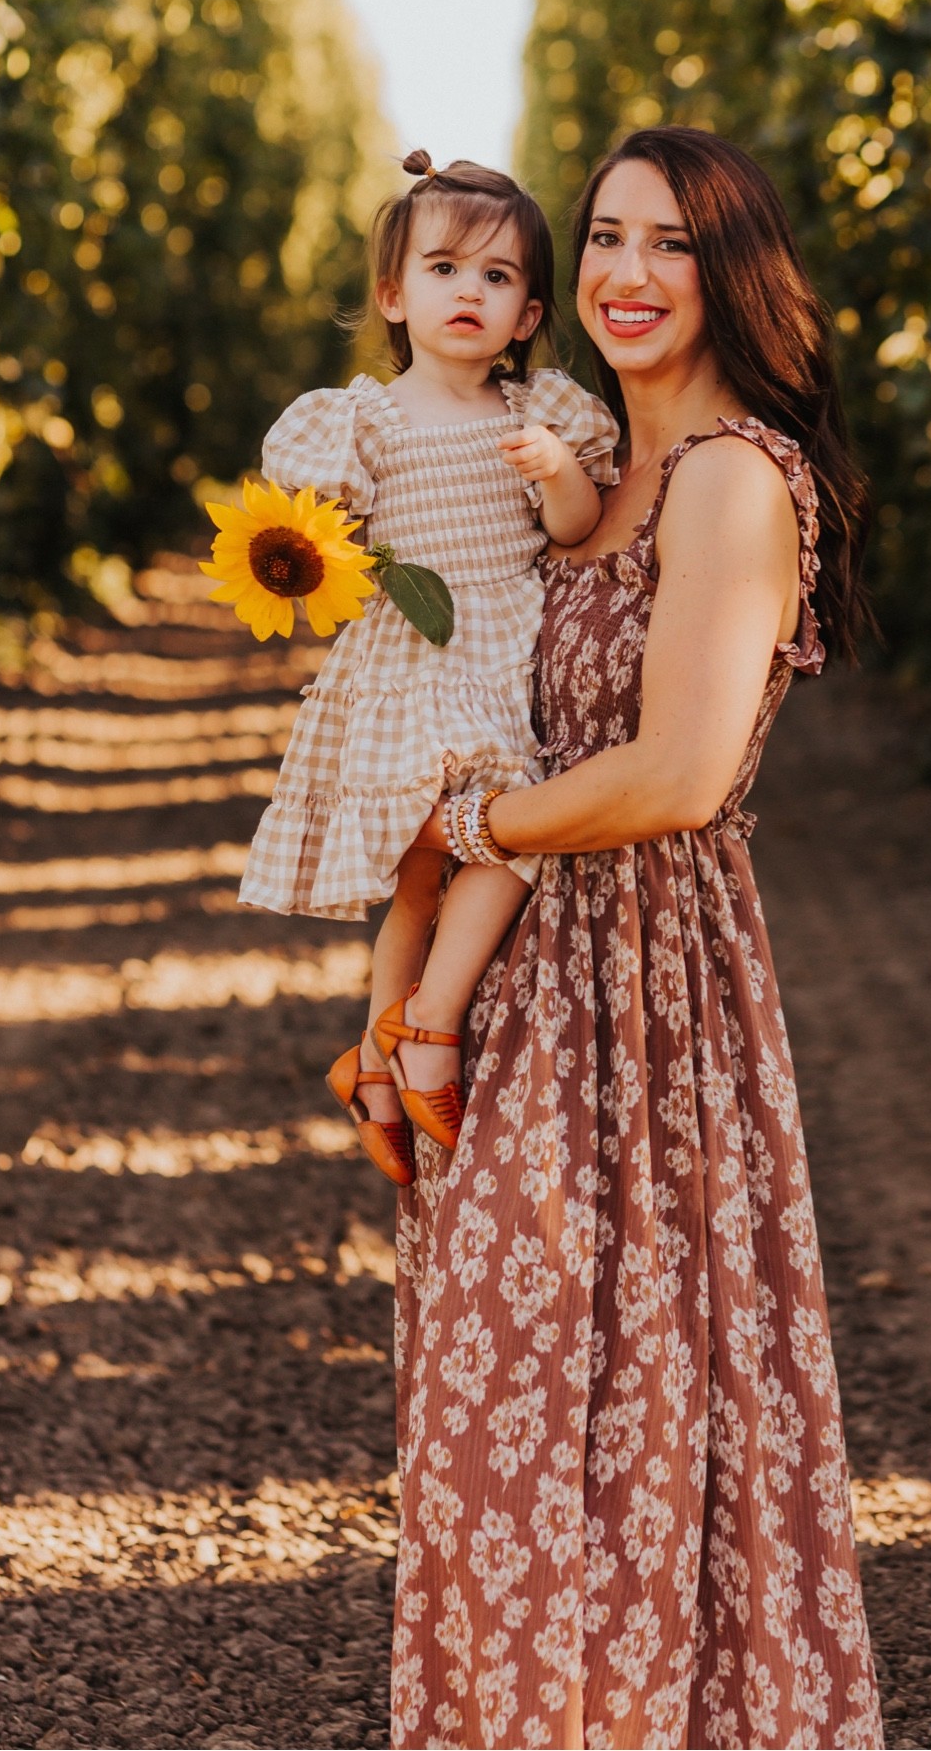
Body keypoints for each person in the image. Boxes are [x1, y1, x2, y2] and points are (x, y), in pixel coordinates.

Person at [391, 127, 885, 1750]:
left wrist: (475, 828)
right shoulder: (583, 476)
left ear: (730, 270)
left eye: (670, 241)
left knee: (624, 1415)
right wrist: (409, 990)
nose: (626, 270)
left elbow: (675, 773)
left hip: (651, 985)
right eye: (604, 234)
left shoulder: (732, 476)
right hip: (519, 981)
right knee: (497, 1418)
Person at [239, 151, 620, 1185]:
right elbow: (320, 535)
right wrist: (309, 552)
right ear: (394, 295)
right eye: (445, 269)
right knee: (428, 877)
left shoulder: (536, 415)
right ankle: (412, 1039)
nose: (469, 292)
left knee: (501, 835)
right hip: (415, 656)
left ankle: (392, 1049)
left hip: (502, 652)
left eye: (497, 277)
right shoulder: (361, 420)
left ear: (527, 315)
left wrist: (558, 474)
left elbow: (575, 528)